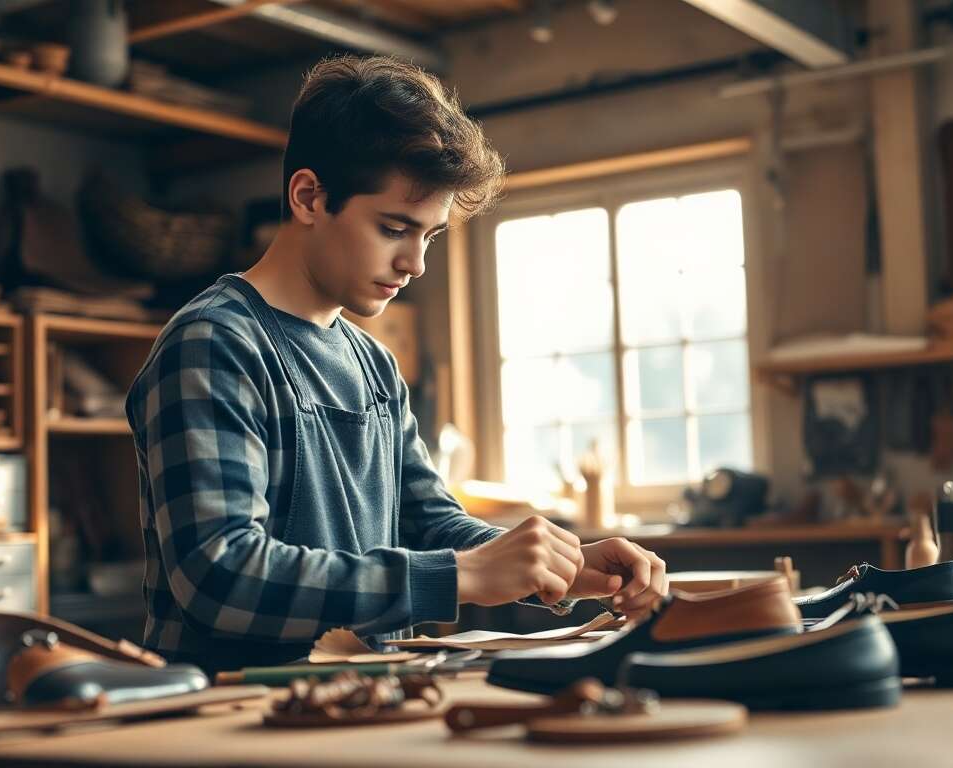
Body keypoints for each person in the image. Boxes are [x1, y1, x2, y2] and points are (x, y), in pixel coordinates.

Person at [125, 55, 668, 673]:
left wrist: (560, 564)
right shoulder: (214, 344)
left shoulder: (375, 366)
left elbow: (432, 524)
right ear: (309, 196)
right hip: (235, 720)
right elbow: (220, 575)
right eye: (393, 229)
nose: (416, 264)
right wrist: (459, 575)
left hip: (364, 704)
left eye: (430, 236)